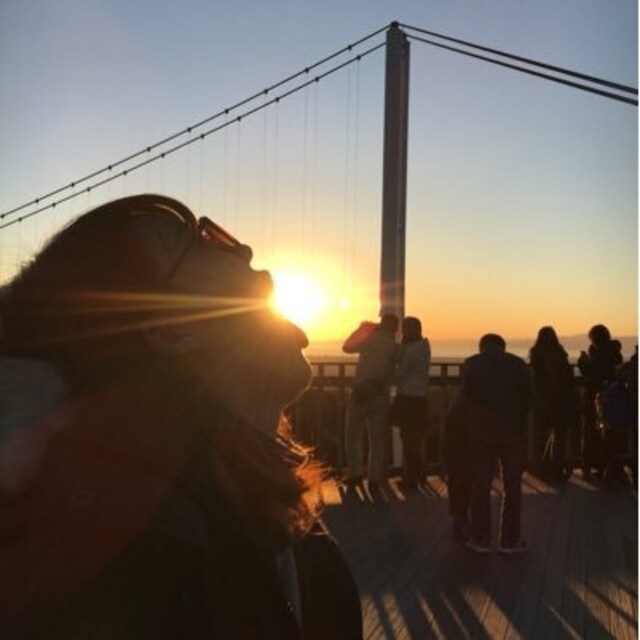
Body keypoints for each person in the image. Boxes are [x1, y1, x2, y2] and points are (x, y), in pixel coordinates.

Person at [0, 194, 362, 639]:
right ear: (171, 331)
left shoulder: (243, 485)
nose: (244, 251)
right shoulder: (138, 552)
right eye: (200, 244)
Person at [461, 334, 532, 554]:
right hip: (512, 433)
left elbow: (465, 398)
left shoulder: (471, 364)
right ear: (503, 347)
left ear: (482, 347)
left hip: (480, 434)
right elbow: (529, 398)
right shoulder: (518, 364)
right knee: (513, 486)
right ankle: (509, 541)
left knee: (480, 485)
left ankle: (480, 538)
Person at [342, 313, 399, 490]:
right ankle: (374, 478)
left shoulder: (370, 339)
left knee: (351, 435)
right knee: (377, 440)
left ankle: (356, 473)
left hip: (360, 393)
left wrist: (361, 330)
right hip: (380, 396)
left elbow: (346, 348)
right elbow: (395, 372)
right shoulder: (395, 347)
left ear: (381, 324)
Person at [529, 326, 579, 481]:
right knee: (559, 437)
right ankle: (556, 469)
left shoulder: (536, 355)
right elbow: (568, 380)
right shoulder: (560, 354)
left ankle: (538, 467)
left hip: (543, 401)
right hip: (561, 401)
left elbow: (536, 379)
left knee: (541, 435)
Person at [577, 324, 623, 479]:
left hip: (595, 399)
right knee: (611, 435)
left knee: (591, 433)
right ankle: (610, 468)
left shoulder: (599, 355)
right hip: (614, 399)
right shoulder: (614, 353)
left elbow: (593, 374)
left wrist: (584, 362)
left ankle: (592, 466)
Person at [391, 316, 431, 490]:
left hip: (409, 398)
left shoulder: (412, 349)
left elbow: (401, 373)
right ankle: (418, 475)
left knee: (409, 440)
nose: (404, 332)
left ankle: (412, 479)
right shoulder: (422, 346)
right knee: (413, 440)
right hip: (419, 397)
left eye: (406, 329)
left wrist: (387, 376)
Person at [444, 392, 472, 541]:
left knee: (458, 476)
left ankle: (459, 517)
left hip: (457, 435)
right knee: (464, 476)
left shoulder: (460, 400)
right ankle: (462, 519)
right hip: (466, 434)